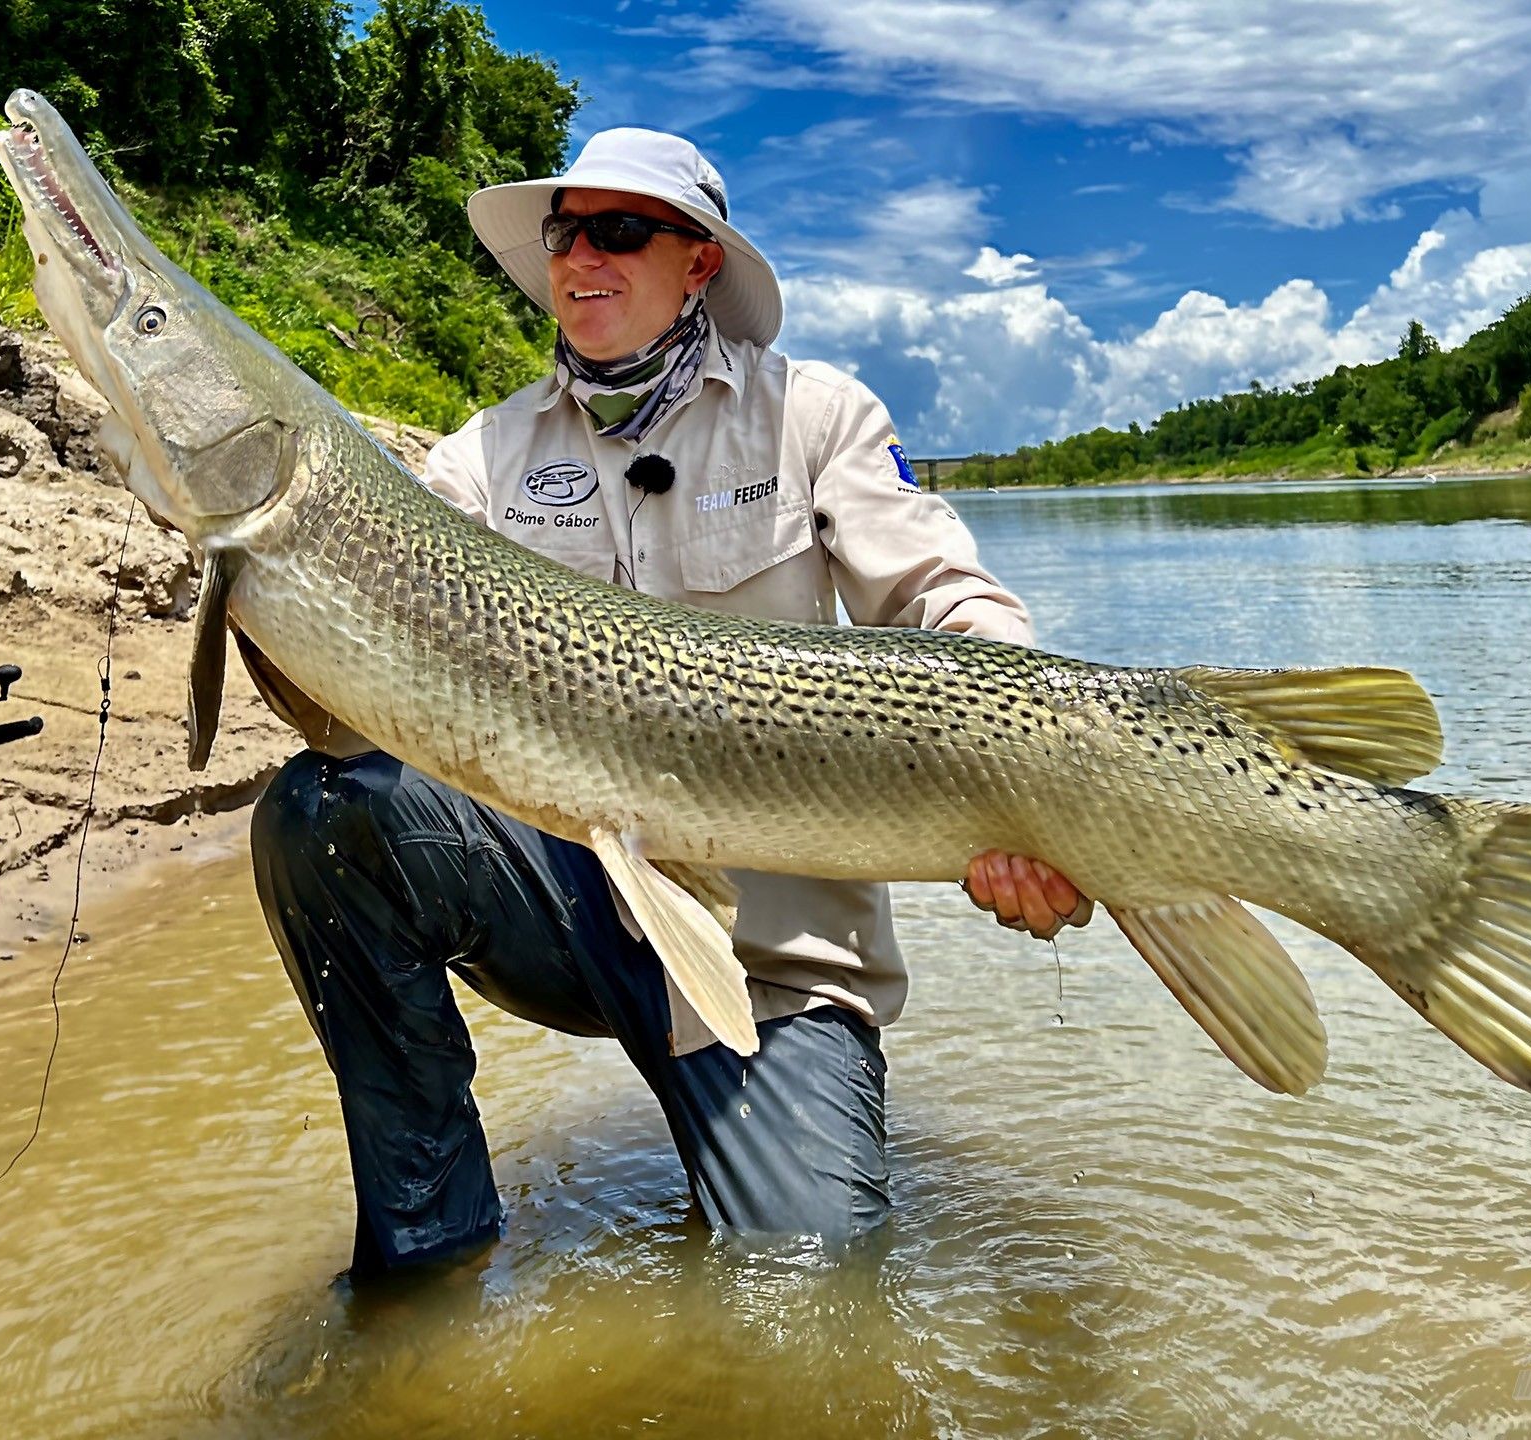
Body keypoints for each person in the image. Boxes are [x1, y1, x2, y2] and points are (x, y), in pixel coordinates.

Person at [242, 128, 1093, 1277]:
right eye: (565, 232)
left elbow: (949, 604)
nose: (581, 257)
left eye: (622, 231)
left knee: (811, 1292)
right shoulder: (481, 460)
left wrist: (1035, 797)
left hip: (773, 962)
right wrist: (255, 569)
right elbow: (351, 717)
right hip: (565, 908)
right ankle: (425, 1250)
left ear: (699, 262)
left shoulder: (819, 417)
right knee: (322, 816)